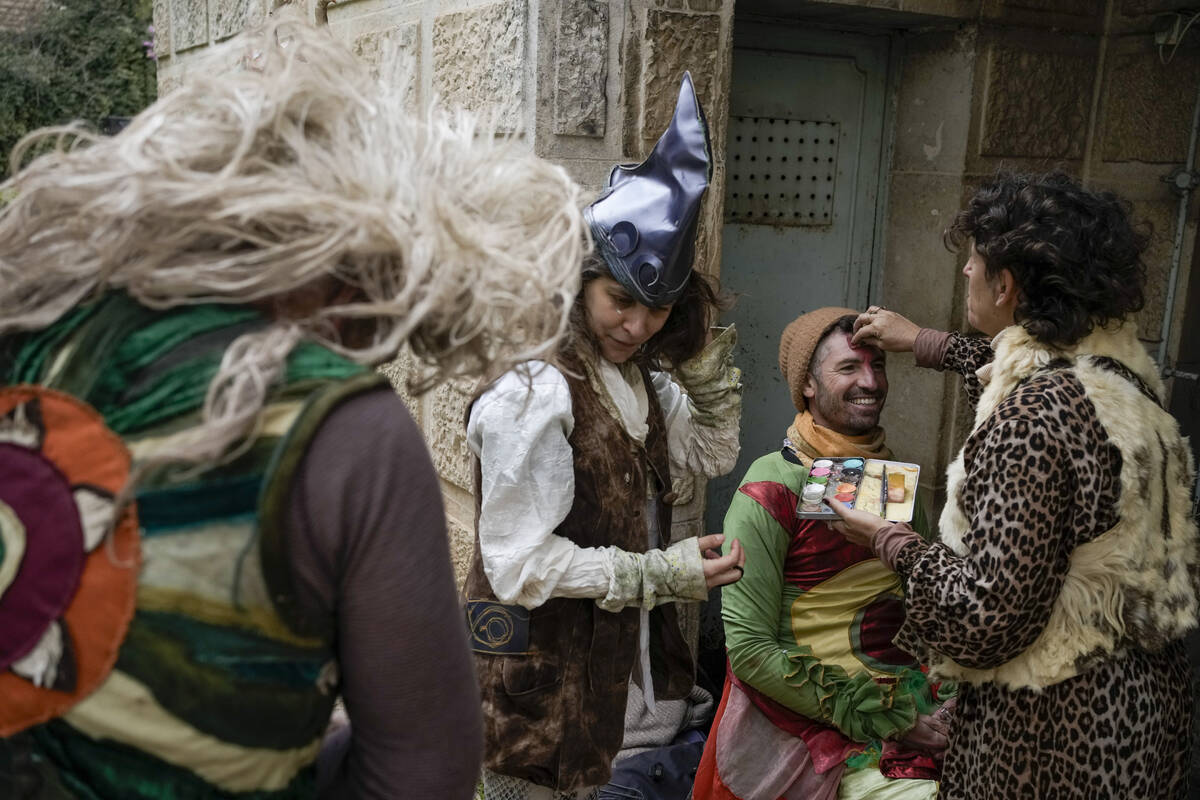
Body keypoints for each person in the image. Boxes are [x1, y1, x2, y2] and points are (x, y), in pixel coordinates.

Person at [0, 15, 587, 800]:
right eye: (376, 311)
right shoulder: (340, 427)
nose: (367, 350)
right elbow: (421, 776)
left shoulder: (29, 327)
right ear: (342, 257)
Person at [833, 171, 1200, 799]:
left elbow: (988, 620)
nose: (968, 274)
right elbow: (1017, 368)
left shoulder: (1030, 420)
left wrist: (893, 542)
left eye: (975, 262)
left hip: (1054, 737)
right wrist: (922, 341)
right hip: (1144, 717)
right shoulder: (1124, 384)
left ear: (1006, 285)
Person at [463, 73, 745, 800]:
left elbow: (711, 453)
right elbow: (520, 567)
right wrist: (660, 576)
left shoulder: (641, 381)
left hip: (619, 689)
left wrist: (706, 366)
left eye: (659, 310)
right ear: (581, 277)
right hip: (537, 692)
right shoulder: (533, 390)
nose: (637, 325)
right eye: (621, 300)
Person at [693, 308, 952, 800]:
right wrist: (887, 719)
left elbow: (919, 610)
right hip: (811, 728)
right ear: (807, 386)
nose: (870, 381)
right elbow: (749, 652)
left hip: (914, 706)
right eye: (848, 368)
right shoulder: (770, 485)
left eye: (878, 365)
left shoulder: (892, 478)